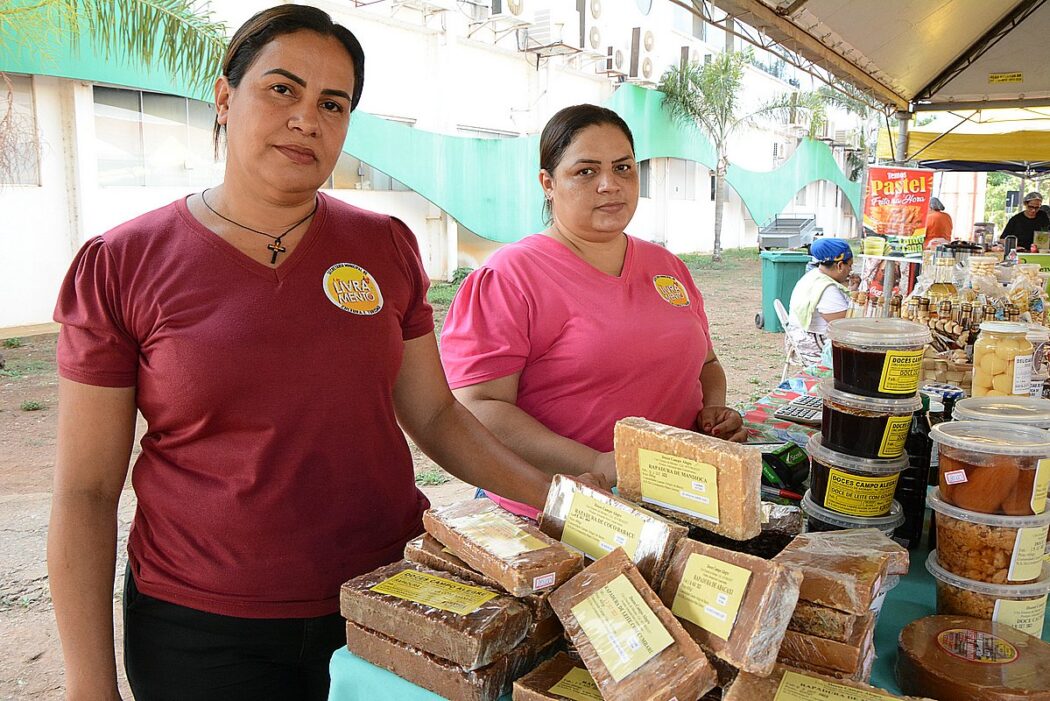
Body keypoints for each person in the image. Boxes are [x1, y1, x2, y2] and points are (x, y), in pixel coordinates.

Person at [47, 7, 605, 700]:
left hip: (387, 602)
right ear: (225, 98)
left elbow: (434, 415)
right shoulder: (123, 262)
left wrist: (566, 503)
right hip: (203, 627)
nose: (306, 118)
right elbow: (86, 490)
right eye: (281, 89)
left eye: (331, 103)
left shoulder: (385, 247)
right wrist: (87, 681)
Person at [438, 103, 746, 520]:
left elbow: (706, 362)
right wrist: (597, 462)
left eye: (623, 168)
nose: (610, 185)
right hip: (558, 510)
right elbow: (478, 409)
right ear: (548, 183)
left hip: (677, 500)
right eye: (586, 171)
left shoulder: (666, 265)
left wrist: (715, 407)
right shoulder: (510, 276)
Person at [786, 238, 853, 365]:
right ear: (839, 266)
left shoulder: (814, 276)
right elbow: (845, 324)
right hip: (812, 345)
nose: (850, 270)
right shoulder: (827, 288)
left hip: (799, 337)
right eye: (849, 265)